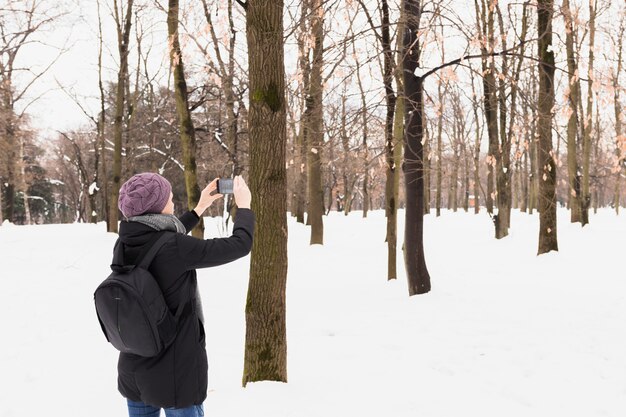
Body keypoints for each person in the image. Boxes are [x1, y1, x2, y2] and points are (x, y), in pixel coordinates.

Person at [115, 172, 254, 417]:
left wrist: (199, 208)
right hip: (175, 372)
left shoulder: (125, 242)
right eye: (168, 198)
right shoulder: (174, 247)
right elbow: (239, 245)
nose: (172, 200)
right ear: (156, 209)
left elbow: (161, 239)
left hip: (134, 366)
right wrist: (244, 207)